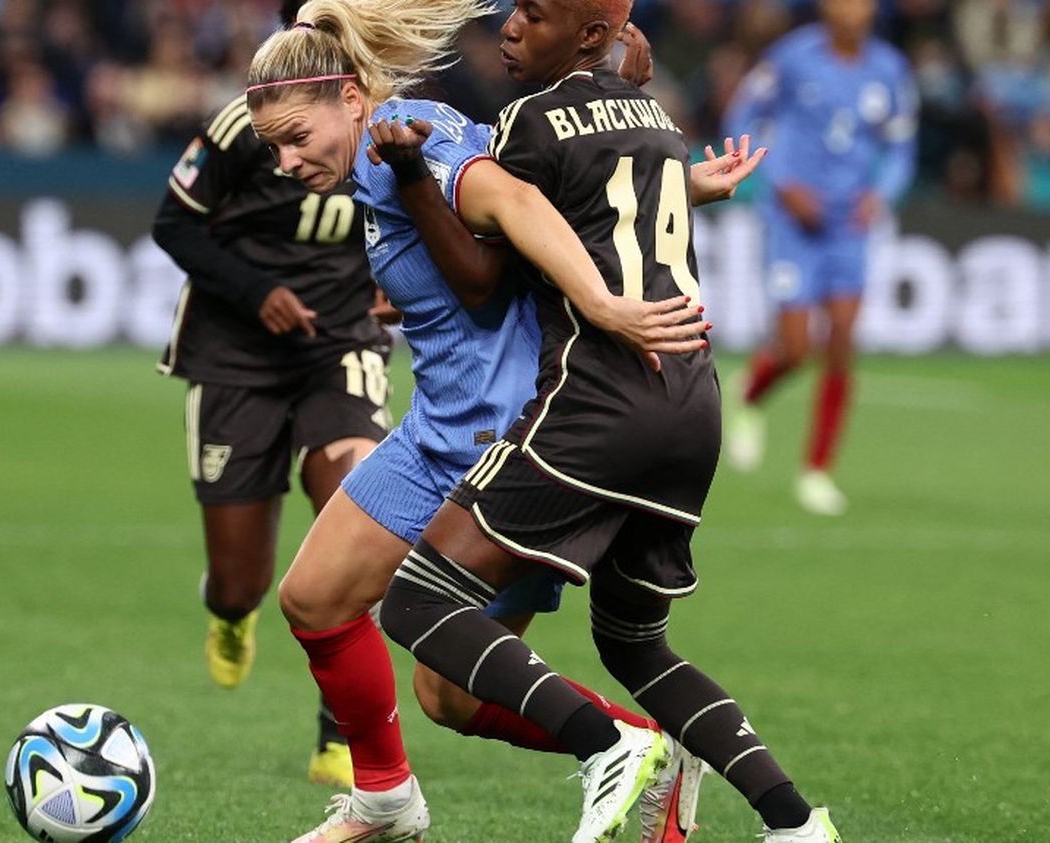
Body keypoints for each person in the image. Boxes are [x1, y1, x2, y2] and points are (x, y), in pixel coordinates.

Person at [244, 2, 719, 841]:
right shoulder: (374, 159)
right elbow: (529, 223)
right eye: (271, 148)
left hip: (504, 444)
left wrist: (605, 306)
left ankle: (629, 745)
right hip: (438, 428)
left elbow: (518, 206)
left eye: (293, 136)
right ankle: (388, 801)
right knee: (348, 622)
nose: (285, 161)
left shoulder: (410, 129)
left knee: (443, 683)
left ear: (351, 99)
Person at [376, 1, 841, 842]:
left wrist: (412, 178)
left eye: (538, 15)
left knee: (417, 602)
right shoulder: (655, 119)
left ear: (591, 37)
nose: (513, 27)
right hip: (692, 402)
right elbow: (615, 205)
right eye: (516, 10)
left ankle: (608, 746)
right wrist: (693, 183)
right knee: (635, 645)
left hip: (596, 405)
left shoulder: (528, 120)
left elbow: (482, 280)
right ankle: (796, 823)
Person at [150, 0, 393, 791]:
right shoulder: (242, 126)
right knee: (243, 576)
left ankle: (341, 734)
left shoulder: (386, 125)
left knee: (359, 513)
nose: (289, 154)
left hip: (341, 341)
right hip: (235, 353)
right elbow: (173, 225)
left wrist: (398, 286)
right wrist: (257, 292)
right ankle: (229, 610)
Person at [722, 0, 918, 515]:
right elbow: (743, 114)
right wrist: (780, 183)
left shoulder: (890, 70)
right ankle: (749, 394)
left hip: (848, 223)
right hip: (793, 219)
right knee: (795, 348)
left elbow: (900, 146)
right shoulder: (791, 57)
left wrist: (882, 193)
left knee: (842, 341)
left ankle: (817, 470)